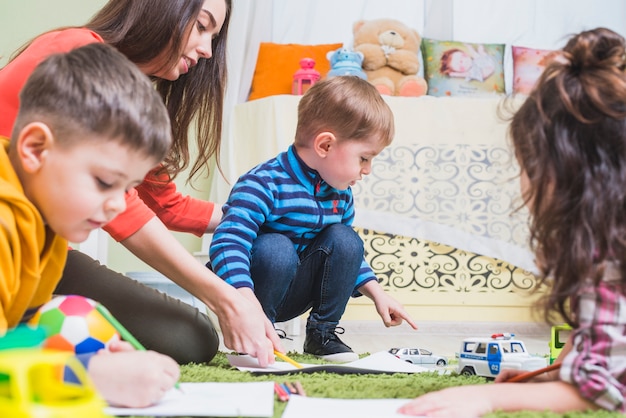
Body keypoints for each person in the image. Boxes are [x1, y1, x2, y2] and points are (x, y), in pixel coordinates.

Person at [0, 0, 282, 366]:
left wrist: (256, 214)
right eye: (201, 26)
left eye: (125, 186)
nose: (208, 51)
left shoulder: (132, 108)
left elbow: (164, 204)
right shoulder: (77, 55)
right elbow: (131, 211)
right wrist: (97, 372)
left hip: (39, 251)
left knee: (193, 337)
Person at [398, 27, 626, 417]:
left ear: (565, 171)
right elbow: (595, 354)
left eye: (525, 164)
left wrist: (488, 398)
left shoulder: (604, 256)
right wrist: (549, 376)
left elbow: (603, 391)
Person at [1, 42, 178, 408]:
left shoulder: (47, 227)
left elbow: (11, 336)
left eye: (128, 189)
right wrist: (86, 375)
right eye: (103, 181)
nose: (116, 205)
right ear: (35, 148)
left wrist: (81, 354)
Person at [209, 76, 418, 362]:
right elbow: (227, 242)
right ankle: (258, 334)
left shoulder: (340, 194)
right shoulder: (263, 183)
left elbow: (347, 257)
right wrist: (245, 303)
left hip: (296, 289)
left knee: (346, 239)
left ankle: (322, 335)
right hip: (248, 292)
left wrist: (379, 295)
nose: (368, 170)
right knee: (277, 247)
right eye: (364, 158)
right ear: (325, 146)